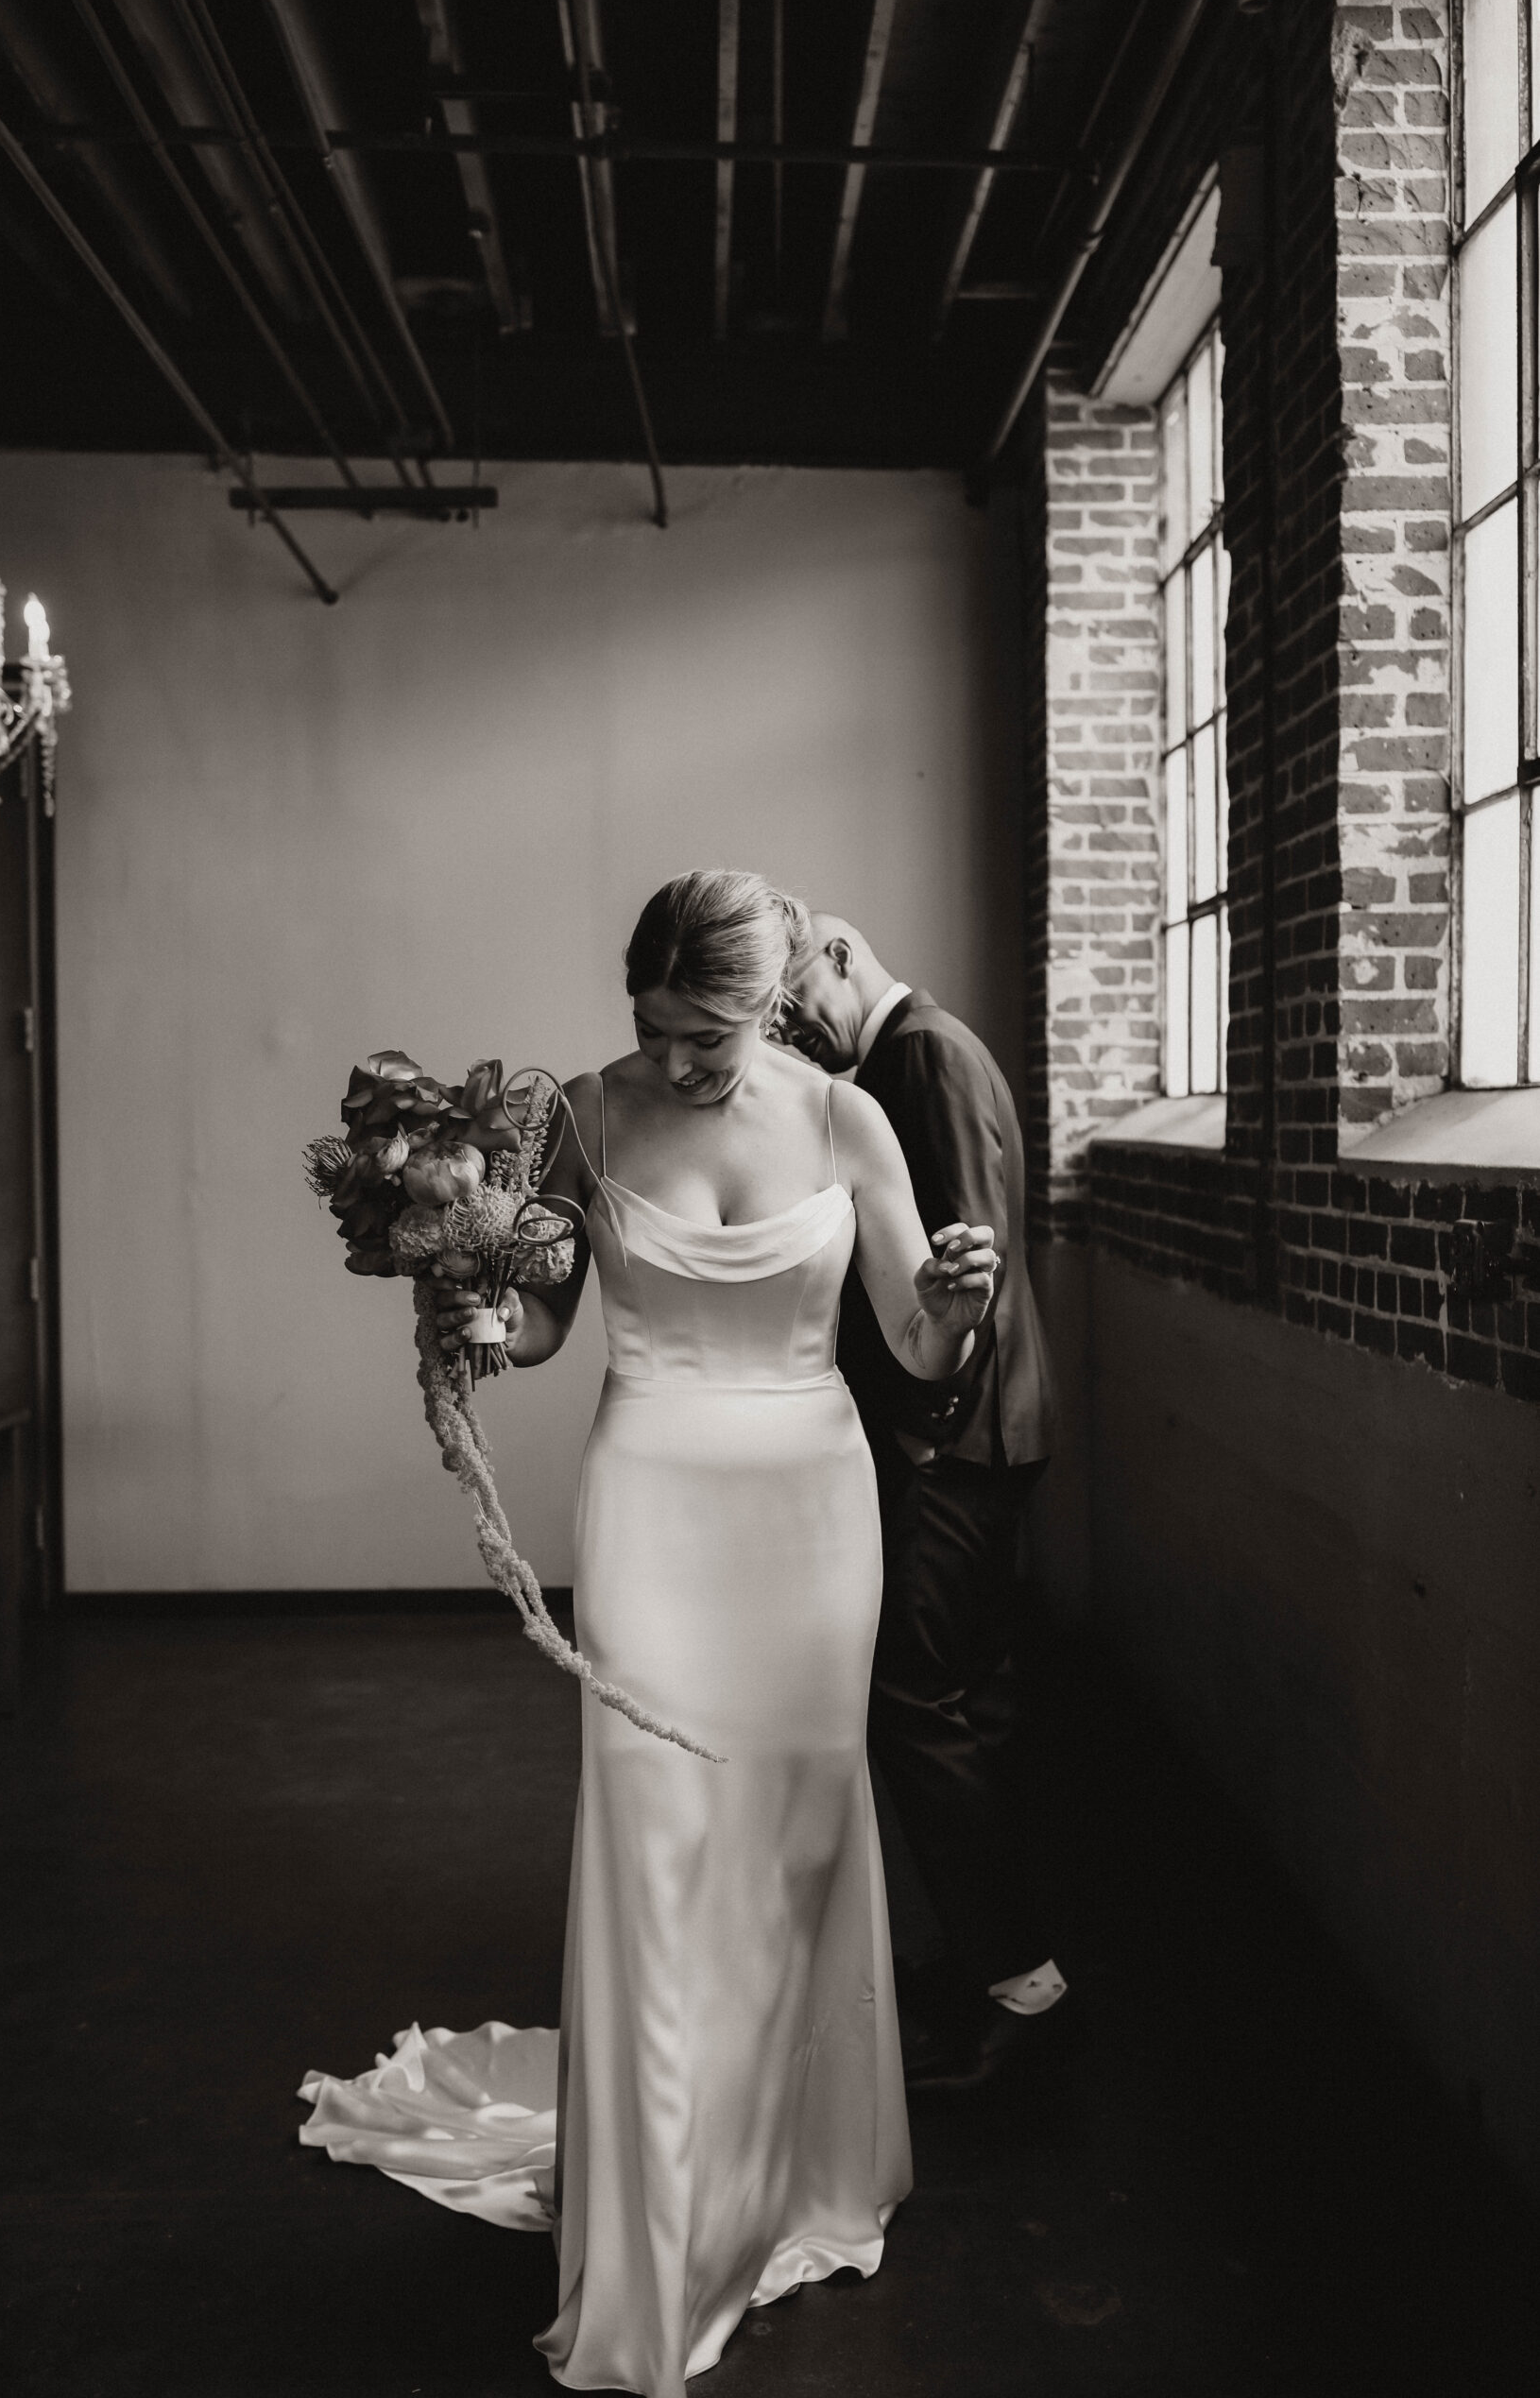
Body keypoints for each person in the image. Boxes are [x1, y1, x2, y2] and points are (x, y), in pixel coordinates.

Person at [297, 871, 1000, 2398]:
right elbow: (547, 1320)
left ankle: (793, 2165)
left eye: (706, 1034)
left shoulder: (846, 1121)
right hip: (652, 1506)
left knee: (796, 1841)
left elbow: (915, 1343)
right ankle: (660, 2217)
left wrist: (962, 1293)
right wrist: (482, 1317)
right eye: (654, 1029)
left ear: (766, 1008)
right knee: (658, 1840)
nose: (677, 1062)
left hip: (814, 1516)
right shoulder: (581, 1116)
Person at [779, 915, 1060, 2095]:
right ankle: (993, 1964)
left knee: (907, 1700)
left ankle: (1019, 1983)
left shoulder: (923, 1058)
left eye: (797, 997)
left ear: (842, 951)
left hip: (957, 1441)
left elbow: (961, 1268)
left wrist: (923, 1438)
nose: (793, 1027)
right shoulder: (906, 1054)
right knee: (969, 1703)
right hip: (985, 1437)